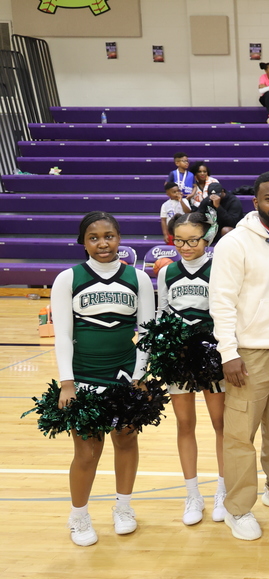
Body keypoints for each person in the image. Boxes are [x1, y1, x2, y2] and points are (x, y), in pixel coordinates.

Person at [209, 171, 269, 541]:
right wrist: (228, 353)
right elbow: (220, 302)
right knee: (239, 435)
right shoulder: (235, 243)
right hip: (248, 353)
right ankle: (237, 508)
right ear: (257, 203)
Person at [51, 212, 155, 546]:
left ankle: (123, 507)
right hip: (83, 377)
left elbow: (149, 333)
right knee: (86, 451)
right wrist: (67, 382)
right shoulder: (68, 278)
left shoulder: (137, 279)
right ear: (83, 242)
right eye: (94, 237)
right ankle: (78, 516)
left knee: (126, 439)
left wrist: (140, 378)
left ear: (119, 238)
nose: (102, 243)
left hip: (124, 375)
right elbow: (63, 336)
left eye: (109, 236)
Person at [157, 212, 226, 526]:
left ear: (207, 238)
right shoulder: (167, 272)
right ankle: (192, 494)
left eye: (192, 240)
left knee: (220, 424)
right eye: (179, 240)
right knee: (185, 425)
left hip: (212, 354)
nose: (185, 246)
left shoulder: (218, 269)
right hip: (178, 357)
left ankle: (222, 491)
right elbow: (162, 314)